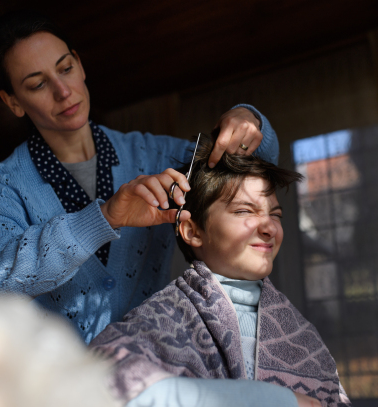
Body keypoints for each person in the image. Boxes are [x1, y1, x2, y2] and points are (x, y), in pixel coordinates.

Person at [0, 9, 279, 344]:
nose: (63, 91)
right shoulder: (5, 184)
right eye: (38, 84)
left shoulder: (154, 156)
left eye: (66, 68)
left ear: (80, 65)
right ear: (13, 102)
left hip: (148, 376)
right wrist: (104, 217)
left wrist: (250, 118)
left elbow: (253, 168)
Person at [89, 132, 351, 407]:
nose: (269, 227)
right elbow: (96, 384)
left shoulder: (302, 336)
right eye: (244, 211)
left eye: (275, 215)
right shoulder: (158, 323)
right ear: (193, 231)